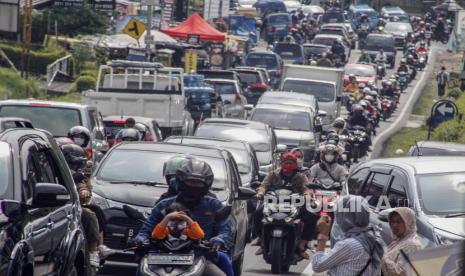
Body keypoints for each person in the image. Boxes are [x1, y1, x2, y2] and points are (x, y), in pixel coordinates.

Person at [132, 158, 232, 276]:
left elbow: (225, 230)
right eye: (191, 182)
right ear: (181, 181)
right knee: (141, 270)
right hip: (161, 256)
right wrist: (140, 239)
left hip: (201, 255)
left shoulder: (214, 205)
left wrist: (218, 241)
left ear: (207, 184)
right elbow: (148, 228)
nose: (194, 186)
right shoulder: (164, 205)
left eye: (198, 183)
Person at [254, 152, 313, 258]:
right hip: (274, 202)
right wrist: (260, 193)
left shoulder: (301, 177)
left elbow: (306, 188)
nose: (288, 165)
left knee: (311, 216)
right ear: (281, 163)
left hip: (294, 203)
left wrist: (307, 195)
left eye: (291, 163)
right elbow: (264, 185)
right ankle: (262, 240)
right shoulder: (273, 174)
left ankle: (302, 245)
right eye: (286, 162)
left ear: (295, 164)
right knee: (257, 213)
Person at [312, 196, 384, 275]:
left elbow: (317, 265)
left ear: (347, 217)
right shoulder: (370, 235)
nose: (338, 218)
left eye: (341, 214)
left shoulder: (350, 244)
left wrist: (323, 234)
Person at [59, 142, 101, 267]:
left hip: (73, 206)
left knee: (95, 210)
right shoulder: (59, 171)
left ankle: (97, 249)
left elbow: (83, 188)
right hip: (58, 207)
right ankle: (93, 250)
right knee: (88, 214)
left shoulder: (80, 176)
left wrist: (84, 191)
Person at [381, 208, 422, 276]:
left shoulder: (412, 245)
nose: (394, 225)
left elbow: (400, 272)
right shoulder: (399, 240)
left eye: (398, 222)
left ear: (408, 222)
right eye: (392, 221)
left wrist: (382, 255)